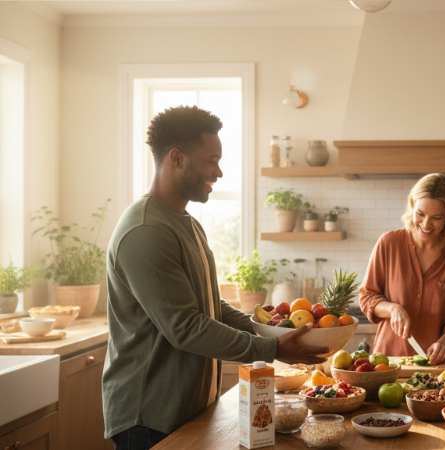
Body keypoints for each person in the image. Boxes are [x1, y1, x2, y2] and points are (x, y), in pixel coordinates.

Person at [102, 106, 328, 450]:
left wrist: (267, 327)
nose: (219, 172)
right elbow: (184, 326)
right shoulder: (146, 230)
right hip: (147, 416)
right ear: (176, 158)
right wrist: (272, 347)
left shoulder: (187, 224)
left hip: (183, 409)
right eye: (211, 160)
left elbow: (209, 305)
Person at [359, 173, 445, 365]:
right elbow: (367, 297)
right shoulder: (388, 243)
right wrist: (393, 308)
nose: (426, 224)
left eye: (437, 217)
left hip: (439, 364)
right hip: (388, 363)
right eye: (420, 214)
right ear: (412, 206)